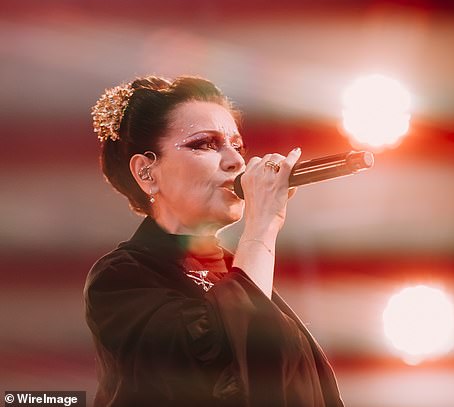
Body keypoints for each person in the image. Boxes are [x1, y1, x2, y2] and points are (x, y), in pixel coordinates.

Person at [83, 76, 344, 407]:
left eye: (237, 145)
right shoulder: (120, 278)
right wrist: (262, 226)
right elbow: (217, 367)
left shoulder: (239, 267)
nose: (236, 161)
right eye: (205, 143)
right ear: (146, 172)